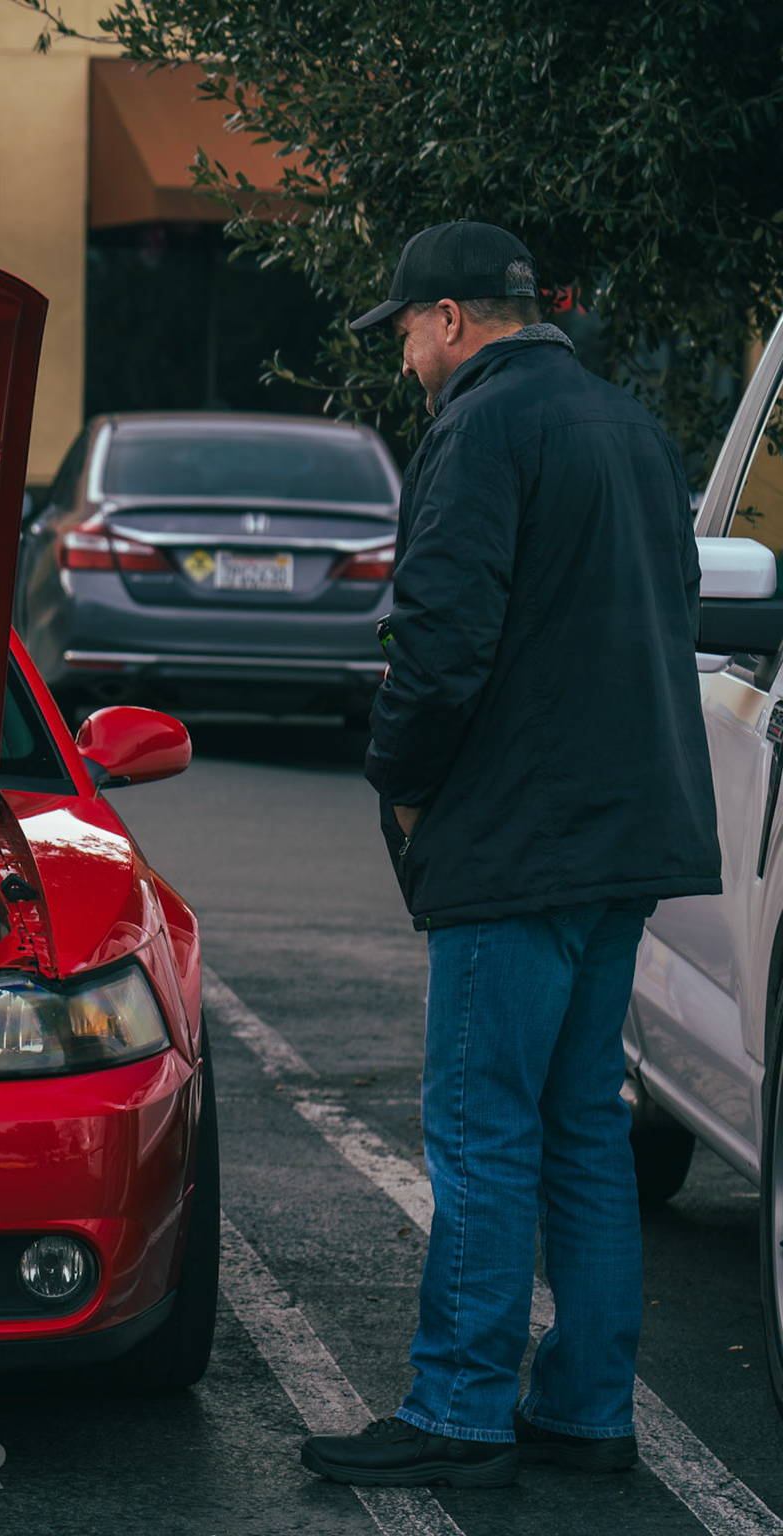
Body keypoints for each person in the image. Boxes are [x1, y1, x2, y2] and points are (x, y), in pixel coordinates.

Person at [299, 221, 721, 1487]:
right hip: (625, 834)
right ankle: (588, 1411)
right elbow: (675, 610)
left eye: (407, 332)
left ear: (450, 319)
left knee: (483, 1128)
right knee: (584, 1126)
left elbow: (438, 642)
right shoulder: (631, 426)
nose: (406, 359)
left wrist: (401, 786)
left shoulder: (478, 428)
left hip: (517, 837)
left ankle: (459, 1411)